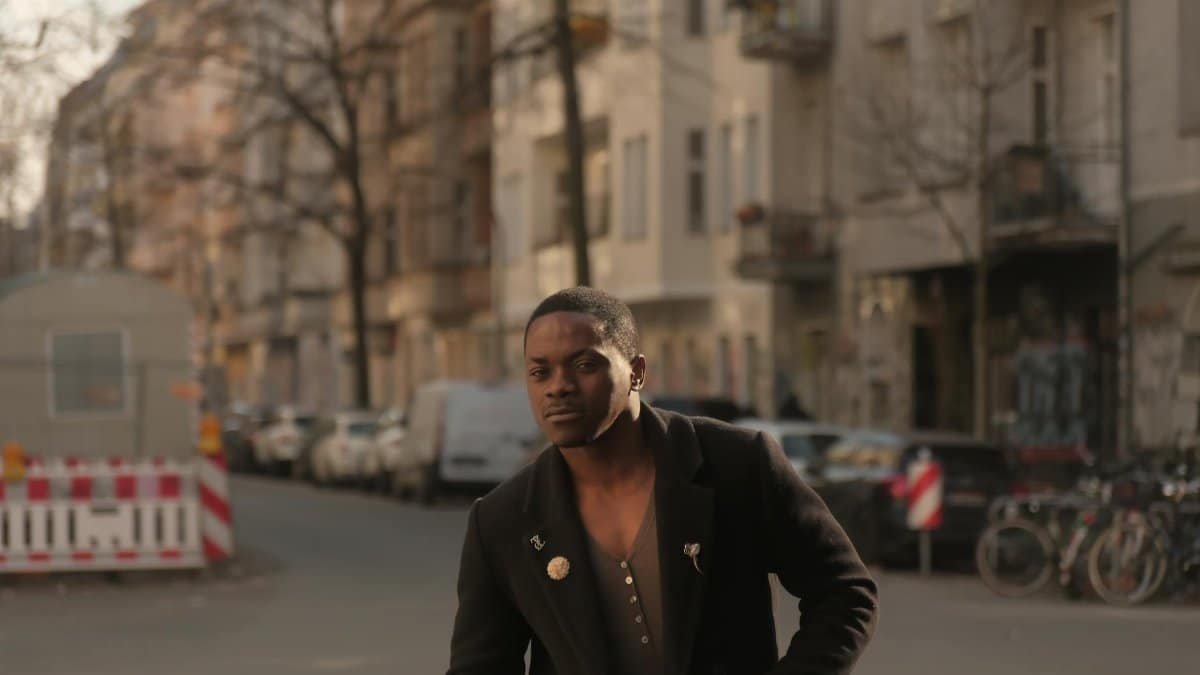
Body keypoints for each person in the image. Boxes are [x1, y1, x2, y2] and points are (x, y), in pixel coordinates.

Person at [447, 287, 877, 675]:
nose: (558, 387)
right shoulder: (503, 519)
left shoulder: (736, 464)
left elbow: (844, 593)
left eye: (584, 364)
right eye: (540, 372)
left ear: (636, 372)